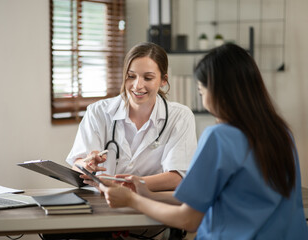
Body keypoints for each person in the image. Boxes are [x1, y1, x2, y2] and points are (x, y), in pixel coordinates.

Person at [99, 43, 308, 239]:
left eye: (201, 91)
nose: (203, 99)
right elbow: (208, 198)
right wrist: (147, 193)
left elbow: (189, 219)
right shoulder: (281, 133)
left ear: (218, 91)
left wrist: (132, 200)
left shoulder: (219, 137)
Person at [67, 42, 197, 191]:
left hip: (154, 204)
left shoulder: (180, 117)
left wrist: (122, 185)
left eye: (148, 78)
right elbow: (77, 167)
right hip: (104, 203)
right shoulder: (98, 112)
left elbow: (177, 177)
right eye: (131, 76)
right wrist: (86, 165)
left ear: (163, 80)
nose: (137, 85)